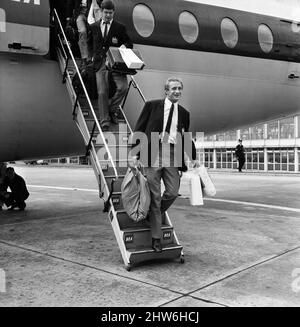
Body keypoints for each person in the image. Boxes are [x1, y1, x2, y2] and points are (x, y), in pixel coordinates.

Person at [131, 77, 199, 252]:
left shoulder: (184, 113)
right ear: (166, 91)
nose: (177, 91)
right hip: (152, 153)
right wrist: (135, 153)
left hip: (172, 155)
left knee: (172, 192)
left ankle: (152, 213)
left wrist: (194, 157)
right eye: (174, 88)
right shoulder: (152, 106)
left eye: (179, 89)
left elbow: (186, 137)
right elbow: (139, 129)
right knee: (154, 196)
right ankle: (156, 238)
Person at [89, 0, 133, 131]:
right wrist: (91, 57)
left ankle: (112, 109)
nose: (108, 15)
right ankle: (104, 121)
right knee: (102, 92)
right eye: (106, 12)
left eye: (110, 12)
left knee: (123, 88)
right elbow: (90, 43)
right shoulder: (94, 27)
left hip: (115, 63)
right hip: (100, 63)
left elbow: (129, 43)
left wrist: (124, 46)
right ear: (101, 12)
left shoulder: (120, 27)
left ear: (114, 12)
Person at [66, 0, 93, 67]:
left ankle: (90, 58)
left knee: (92, 34)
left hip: (91, 16)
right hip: (80, 15)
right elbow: (70, 4)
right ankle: (84, 58)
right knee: (83, 31)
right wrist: (69, 18)